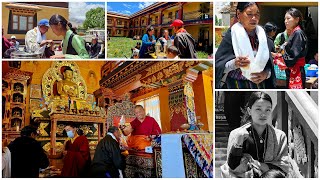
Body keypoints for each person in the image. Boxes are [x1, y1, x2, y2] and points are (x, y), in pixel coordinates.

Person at [221, 92, 290, 178]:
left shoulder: (280, 136)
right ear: (249, 111)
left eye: (267, 110)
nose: (263, 114)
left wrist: (257, 164)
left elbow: (283, 167)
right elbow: (231, 167)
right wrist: (238, 144)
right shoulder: (236, 133)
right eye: (258, 109)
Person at [215, 2, 276, 89]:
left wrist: (266, 74)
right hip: (235, 86)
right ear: (239, 14)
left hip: (260, 85)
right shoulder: (232, 35)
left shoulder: (263, 37)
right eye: (249, 14)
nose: (254, 18)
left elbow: (269, 65)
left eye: (257, 14)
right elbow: (218, 65)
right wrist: (234, 63)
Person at [272, 8, 308, 89]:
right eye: (285, 19)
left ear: (297, 19)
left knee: (297, 97)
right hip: (292, 70)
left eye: (288, 18)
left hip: (296, 71)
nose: (285, 21)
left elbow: (293, 56)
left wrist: (278, 58)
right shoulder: (294, 33)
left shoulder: (298, 33)